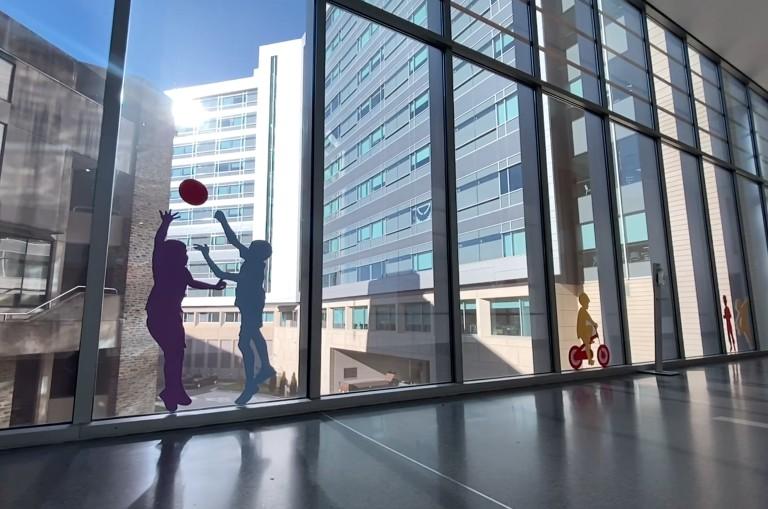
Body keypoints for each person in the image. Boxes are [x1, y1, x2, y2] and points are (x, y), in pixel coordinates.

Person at [146, 210, 226, 412]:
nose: (187, 256)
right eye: (184, 254)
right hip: (160, 316)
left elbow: (193, 283)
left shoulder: (182, 271)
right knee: (174, 354)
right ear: (173, 256)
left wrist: (214, 287)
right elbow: (157, 244)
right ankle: (173, 391)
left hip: (172, 316)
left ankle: (173, 391)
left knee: (176, 354)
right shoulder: (161, 267)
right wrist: (165, 223)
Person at [195, 210, 275, 405]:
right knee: (253, 334)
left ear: (256, 253)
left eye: (251, 247)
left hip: (251, 303)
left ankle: (257, 377)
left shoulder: (254, 267)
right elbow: (233, 240)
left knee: (245, 341)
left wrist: (206, 256)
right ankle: (263, 369)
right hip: (251, 302)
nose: (246, 247)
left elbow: (220, 272)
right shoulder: (253, 260)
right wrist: (223, 221)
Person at [576, 293, 599, 366]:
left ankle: (588, 356)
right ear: (584, 303)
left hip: (584, 330)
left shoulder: (584, 311)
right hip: (582, 331)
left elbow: (589, 319)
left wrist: (594, 323)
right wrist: (593, 323)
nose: (588, 305)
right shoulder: (582, 311)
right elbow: (589, 319)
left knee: (588, 342)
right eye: (587, 303)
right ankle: (589, 360)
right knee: (587, 343)